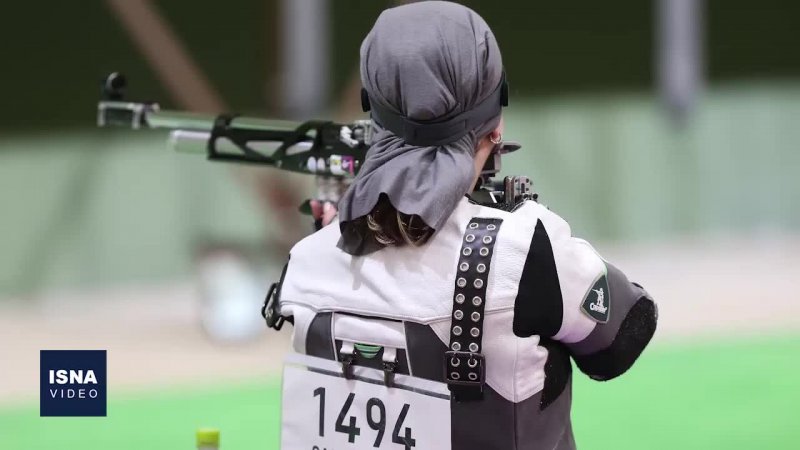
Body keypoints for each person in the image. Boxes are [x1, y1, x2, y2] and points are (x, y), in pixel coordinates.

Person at [272, 2, 657, 449]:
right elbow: (622, 338)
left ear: (371, 109)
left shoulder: (308, 258)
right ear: (495, 121)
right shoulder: (524, 247)